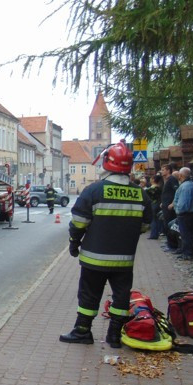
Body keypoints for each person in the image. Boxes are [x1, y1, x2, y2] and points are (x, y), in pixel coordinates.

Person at [60, 142, 151, 348]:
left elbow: (79, 222)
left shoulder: (94, 191)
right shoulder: (140, 194)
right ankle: (114, 336)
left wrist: (74, 242)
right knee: (121, 296)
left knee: (89, 294)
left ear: (106, 163)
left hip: (94, 258)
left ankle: (82, 331)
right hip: (124, 260)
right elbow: (145, 225)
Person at [170, 166, 193, 260]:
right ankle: (186, 252)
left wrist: (178, 211)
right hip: (186, 214)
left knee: (186, 234)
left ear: (181, 175)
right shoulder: (187, 185)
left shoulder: (186, 186)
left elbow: (184, 204)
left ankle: (188, 254)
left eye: (179, 173)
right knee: (185, 234)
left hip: (185, 214)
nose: (178, 175)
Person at [160, 163, 180, 252]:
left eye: (163, 170)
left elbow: (177, 191)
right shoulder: (167, 179)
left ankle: (172, 245)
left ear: (168, 170)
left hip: (170, 208)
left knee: (170, 225)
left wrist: (172, 203)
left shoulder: (172, 179)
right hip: (165, 206)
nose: (161, 171)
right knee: (166, 225)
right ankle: (169, 244)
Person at [146, 173, 163, 239]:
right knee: (158, 219)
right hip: (158, 204)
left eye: (151, 178)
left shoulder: (151, 188)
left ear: (153, 179)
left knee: (153, 220)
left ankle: (153, 235)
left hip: (153, 204)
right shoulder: (159, 187)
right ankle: (158, 232)